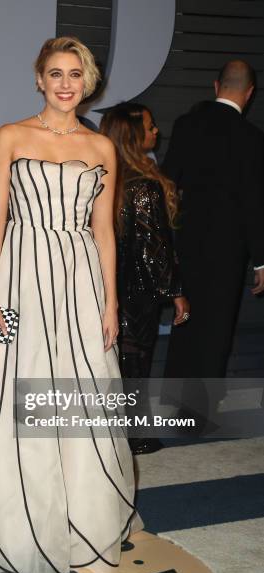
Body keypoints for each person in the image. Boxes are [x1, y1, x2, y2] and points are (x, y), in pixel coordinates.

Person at [0, 36, 142, 573]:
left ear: (87, 82)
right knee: (6, 390)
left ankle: (78, 521)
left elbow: (103, 233)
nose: (66, 83)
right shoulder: (11, 136)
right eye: (56, 73)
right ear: (40, 79)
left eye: (75, 73)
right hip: (17, 278)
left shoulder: (101, 149)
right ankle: (8, 519)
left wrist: (111, 301)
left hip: (78, 282)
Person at [163, 60, 264, 386]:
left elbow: (167, 183)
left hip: (187, 240)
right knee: (216, 327)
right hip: (228, 248)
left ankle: (175, 401)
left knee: (185, 318)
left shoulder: (185, 124)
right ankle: (200, 411)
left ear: (216, 86)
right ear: (249, 94)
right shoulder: (251, 138)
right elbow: (254, 203)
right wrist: (261, 260)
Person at [100, 103, 189, 454]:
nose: (157, 132)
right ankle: (135, 436)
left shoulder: (101, 177)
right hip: (138, 289)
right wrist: (176, 291)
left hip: (105, 284)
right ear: (133, 136)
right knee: (136, 360)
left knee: (114, 361)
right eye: (150, 127)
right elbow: (155, 248)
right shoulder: (143, 186)